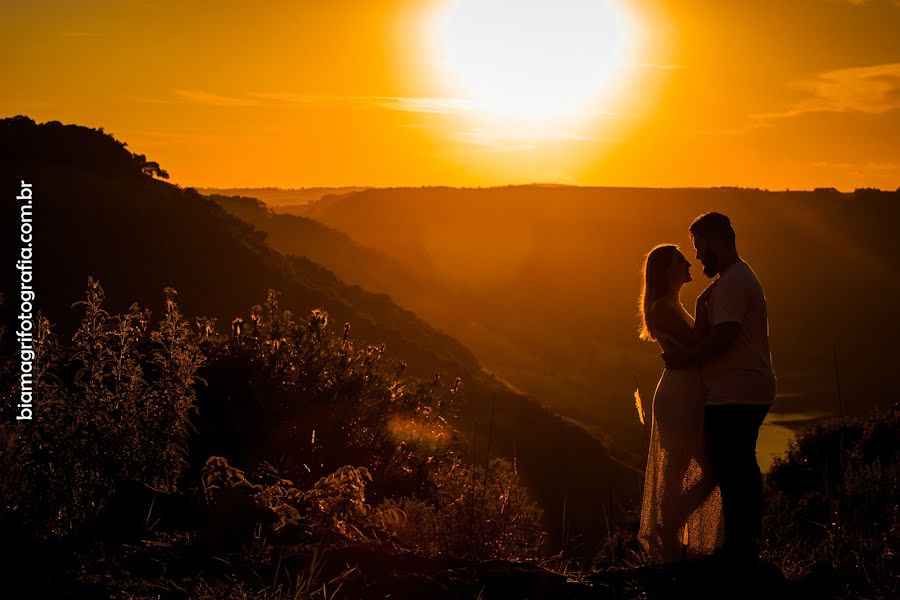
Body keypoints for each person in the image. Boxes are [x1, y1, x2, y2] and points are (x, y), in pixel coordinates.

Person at [663, 212, 777, 564]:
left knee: (735, 467)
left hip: (736, 390)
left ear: (714, 241)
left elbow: (724, 337)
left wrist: (685, 359)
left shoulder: (733, 282)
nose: (696, 256)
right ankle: (741, 545)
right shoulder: (734, 278)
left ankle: (741, 548)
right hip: (739, 388)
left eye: (698, 247)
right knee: (735, 466)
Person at [637, 243, 723, 563]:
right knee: (690, 471)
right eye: (680, 260)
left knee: (694, 471)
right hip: (679, 396)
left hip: (686, 392)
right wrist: (704, 303)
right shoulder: (662, 307)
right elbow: (698, 343)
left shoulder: (669, 304)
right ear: (666, 270)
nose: (689, 262)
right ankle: (668, 531)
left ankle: (669, 531)